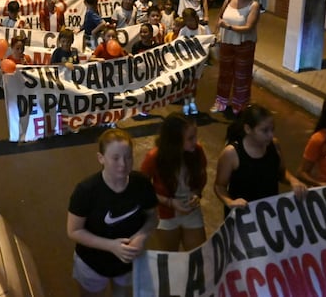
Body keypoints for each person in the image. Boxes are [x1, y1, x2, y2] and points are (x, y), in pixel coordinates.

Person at [67, 129, 157, 297]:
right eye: (115, 158)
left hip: (128, 262)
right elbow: (74, 231)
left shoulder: (141, 183)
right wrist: (111, 246)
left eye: (128, 156)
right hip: (92, 263)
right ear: (101, 158)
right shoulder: (86, 191)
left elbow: (152, 217)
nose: (123, 164)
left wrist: (141, 236)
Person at [214, 104, 306, 216]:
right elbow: (220, 186)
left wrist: (293, 181)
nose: (271, 135)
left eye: (272, 130)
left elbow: (281, 173)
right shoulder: (231, 153)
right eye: (265, 131)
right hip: (243, 217)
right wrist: (230, 202)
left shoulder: (274, 145)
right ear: (248, 129)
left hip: (269, 214)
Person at [140, 113, 206, 252]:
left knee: (199, 257)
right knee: (169, 259)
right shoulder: (154, 157)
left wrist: (196, 193)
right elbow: (142, 188)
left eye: (195, 136)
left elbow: (202, 176)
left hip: (191, 211)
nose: (196, 141)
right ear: (174, 140)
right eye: (190, 138)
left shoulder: (197, 151)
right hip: (165, 215)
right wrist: (169, 202)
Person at [211, 0, 261, 115]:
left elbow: (249, 27)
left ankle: (240, 105)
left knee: (242, 75)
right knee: (224, 73)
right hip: (226, 42)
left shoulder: (253, 5)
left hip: (244, 44)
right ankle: (221, 102)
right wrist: (216, 33)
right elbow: (219, 18)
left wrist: (229, 27)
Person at [178, 8, 208, 115]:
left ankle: (192, 102)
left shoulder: (203, 29)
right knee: (187, 84)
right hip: (187, 62)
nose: (189, 23)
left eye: (191, 20)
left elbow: (207, 42)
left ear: (196, 18)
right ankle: (186, 103)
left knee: (194, 84)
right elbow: (178, 45)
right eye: (187, 21)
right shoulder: (183, 31)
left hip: (198, 63)